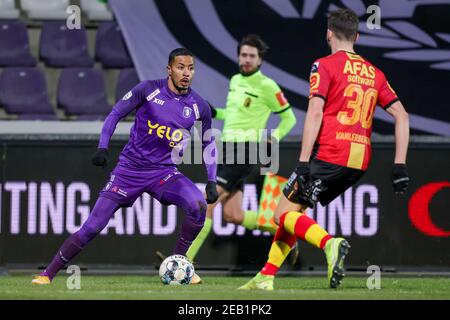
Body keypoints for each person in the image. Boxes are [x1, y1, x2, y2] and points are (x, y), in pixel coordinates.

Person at [239, 8, 410, 291]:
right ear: (356, 36)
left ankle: (330, 244)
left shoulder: (324, 65)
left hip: (330, 153)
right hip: (359, 160)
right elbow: (402, 116)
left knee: (280, 214)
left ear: (328, 33)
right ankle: (265, 277)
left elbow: (315, 113)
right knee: (295, 211)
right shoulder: (375, 73)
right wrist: (400, 165)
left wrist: (303, 161)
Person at [31, 48, 219, 285]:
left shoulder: (198, 105)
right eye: (180, 67)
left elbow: (208, 142)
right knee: (92, 227)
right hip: (129, 171)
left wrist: (212, 179)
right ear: (169, 69)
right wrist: (103, 147)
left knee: (198, 204)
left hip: (163, 172)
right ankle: (47, 274)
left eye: (190, 68)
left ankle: (179, 263)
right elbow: (115, 114)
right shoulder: (148, 89)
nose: (186, 73)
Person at [167, 35, 297, 281]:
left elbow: (289, 117)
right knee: (232, 215)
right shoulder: (236, 80)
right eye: (243, 55)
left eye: (252, 56)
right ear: (238, 56)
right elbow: (234, 114)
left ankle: (183, 263)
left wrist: (274, 137)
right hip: (226, 149)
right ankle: (287, 233)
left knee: (206, 203)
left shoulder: (267, 85)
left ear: (260, 60)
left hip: (246, 151)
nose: (246, 59)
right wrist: (214, 111)